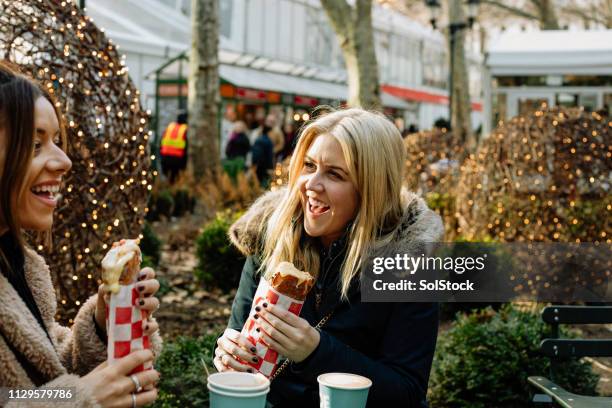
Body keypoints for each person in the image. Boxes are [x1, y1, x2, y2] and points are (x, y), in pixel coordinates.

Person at [214, 108, 443, 407]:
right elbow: (241, 340)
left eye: (334, 174)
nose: (311, 184)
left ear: (371, 189)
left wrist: (316, 352)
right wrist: (230, 352)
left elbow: (407, 393)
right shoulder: (270, 239)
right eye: (309, 166)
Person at [0, 61, 162, 407]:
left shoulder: (21, 264)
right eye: (34, 145)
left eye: (57, 140)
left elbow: (43, 373)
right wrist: (80, 399)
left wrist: (105, 323)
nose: (64, 161)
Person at [159, 112, 188, 184]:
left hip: (165, 157)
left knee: (169, 178)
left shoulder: (170, 127)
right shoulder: (185, 129)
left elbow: (162, 140)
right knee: (175, 179)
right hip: (177, 159)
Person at [250, 120, 274, 188]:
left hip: (259, 165)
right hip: (264, 165)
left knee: (259, 181)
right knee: (264, 183)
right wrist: (270, 167)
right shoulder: (268, 141)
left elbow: (254, 153)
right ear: (269, 132)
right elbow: (269, 155)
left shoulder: (258, 140)